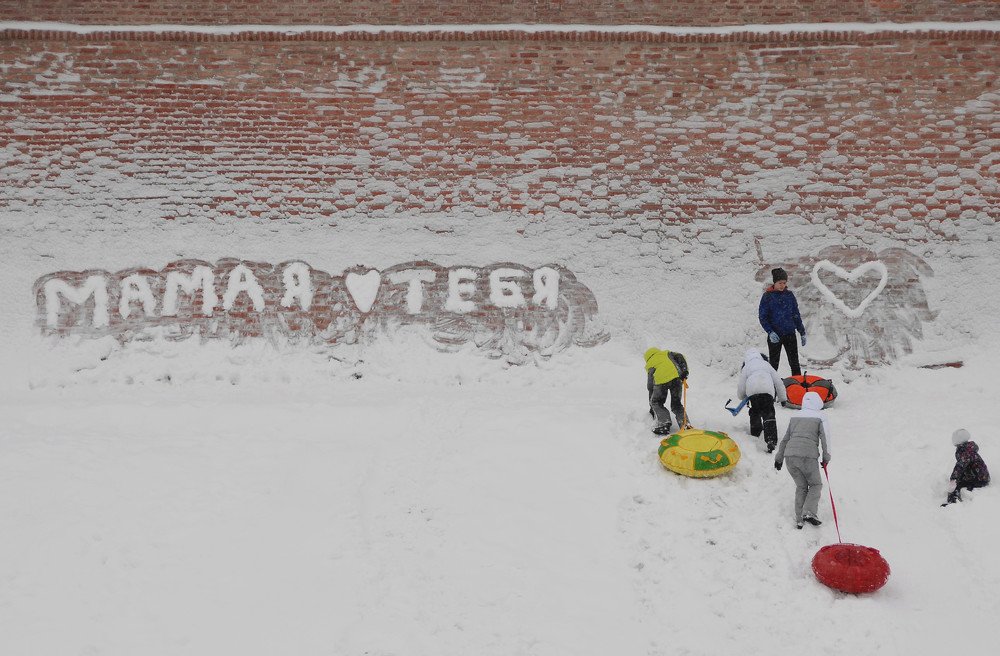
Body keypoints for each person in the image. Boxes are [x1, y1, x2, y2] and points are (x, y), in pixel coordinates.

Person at [774, 391, 831, 529]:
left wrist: (779, 457)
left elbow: (786, 438)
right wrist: (826, 458)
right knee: (816, 485)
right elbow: (825, 439)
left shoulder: (795, 417)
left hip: (790, 457)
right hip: (808, 456)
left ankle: (799, 519)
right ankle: (809, 513)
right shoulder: (820, 417)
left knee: (801, 486)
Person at [736, 349, 788, 453]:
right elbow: (778, 382)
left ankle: (755, 432)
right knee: (769, 413)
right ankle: (771, 439)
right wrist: (783, 398)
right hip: (767, 391)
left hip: (753, 392)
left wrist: (742, 396)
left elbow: (741, 386)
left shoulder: (746, 367)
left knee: (755, 411)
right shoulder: (766, 365)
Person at [758, 267, 806, 376]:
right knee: (774, 364)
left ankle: (797, 386)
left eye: (784, 283)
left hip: (790, 334)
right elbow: (763, 317)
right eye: (780, 283)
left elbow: (796, 315)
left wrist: (801, 331)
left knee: (794, 363)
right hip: (776, 335)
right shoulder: (767, 297)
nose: (782, 285)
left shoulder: (789, 296)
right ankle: (771, 387)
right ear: (775, 282)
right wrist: (770, 332)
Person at [644, 347, 689, 435]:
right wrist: (684, 371)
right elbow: (681, 357)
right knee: (677, 404)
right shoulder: (667, 353)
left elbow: (650, 386)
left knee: (657, 402)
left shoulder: (650, 363)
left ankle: (664, 424)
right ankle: (685, 425)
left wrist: (652, 405)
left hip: (661, 381)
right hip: (677, 378)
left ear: (647, 358)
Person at [943, 429, 990, 505]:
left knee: (957, 483)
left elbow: (960, 465)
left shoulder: (966, 451)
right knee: (960, 477)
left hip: (979, 479)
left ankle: (952, 501)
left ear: (959, 439)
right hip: (980, 476)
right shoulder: (968, 448)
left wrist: (953, 479)